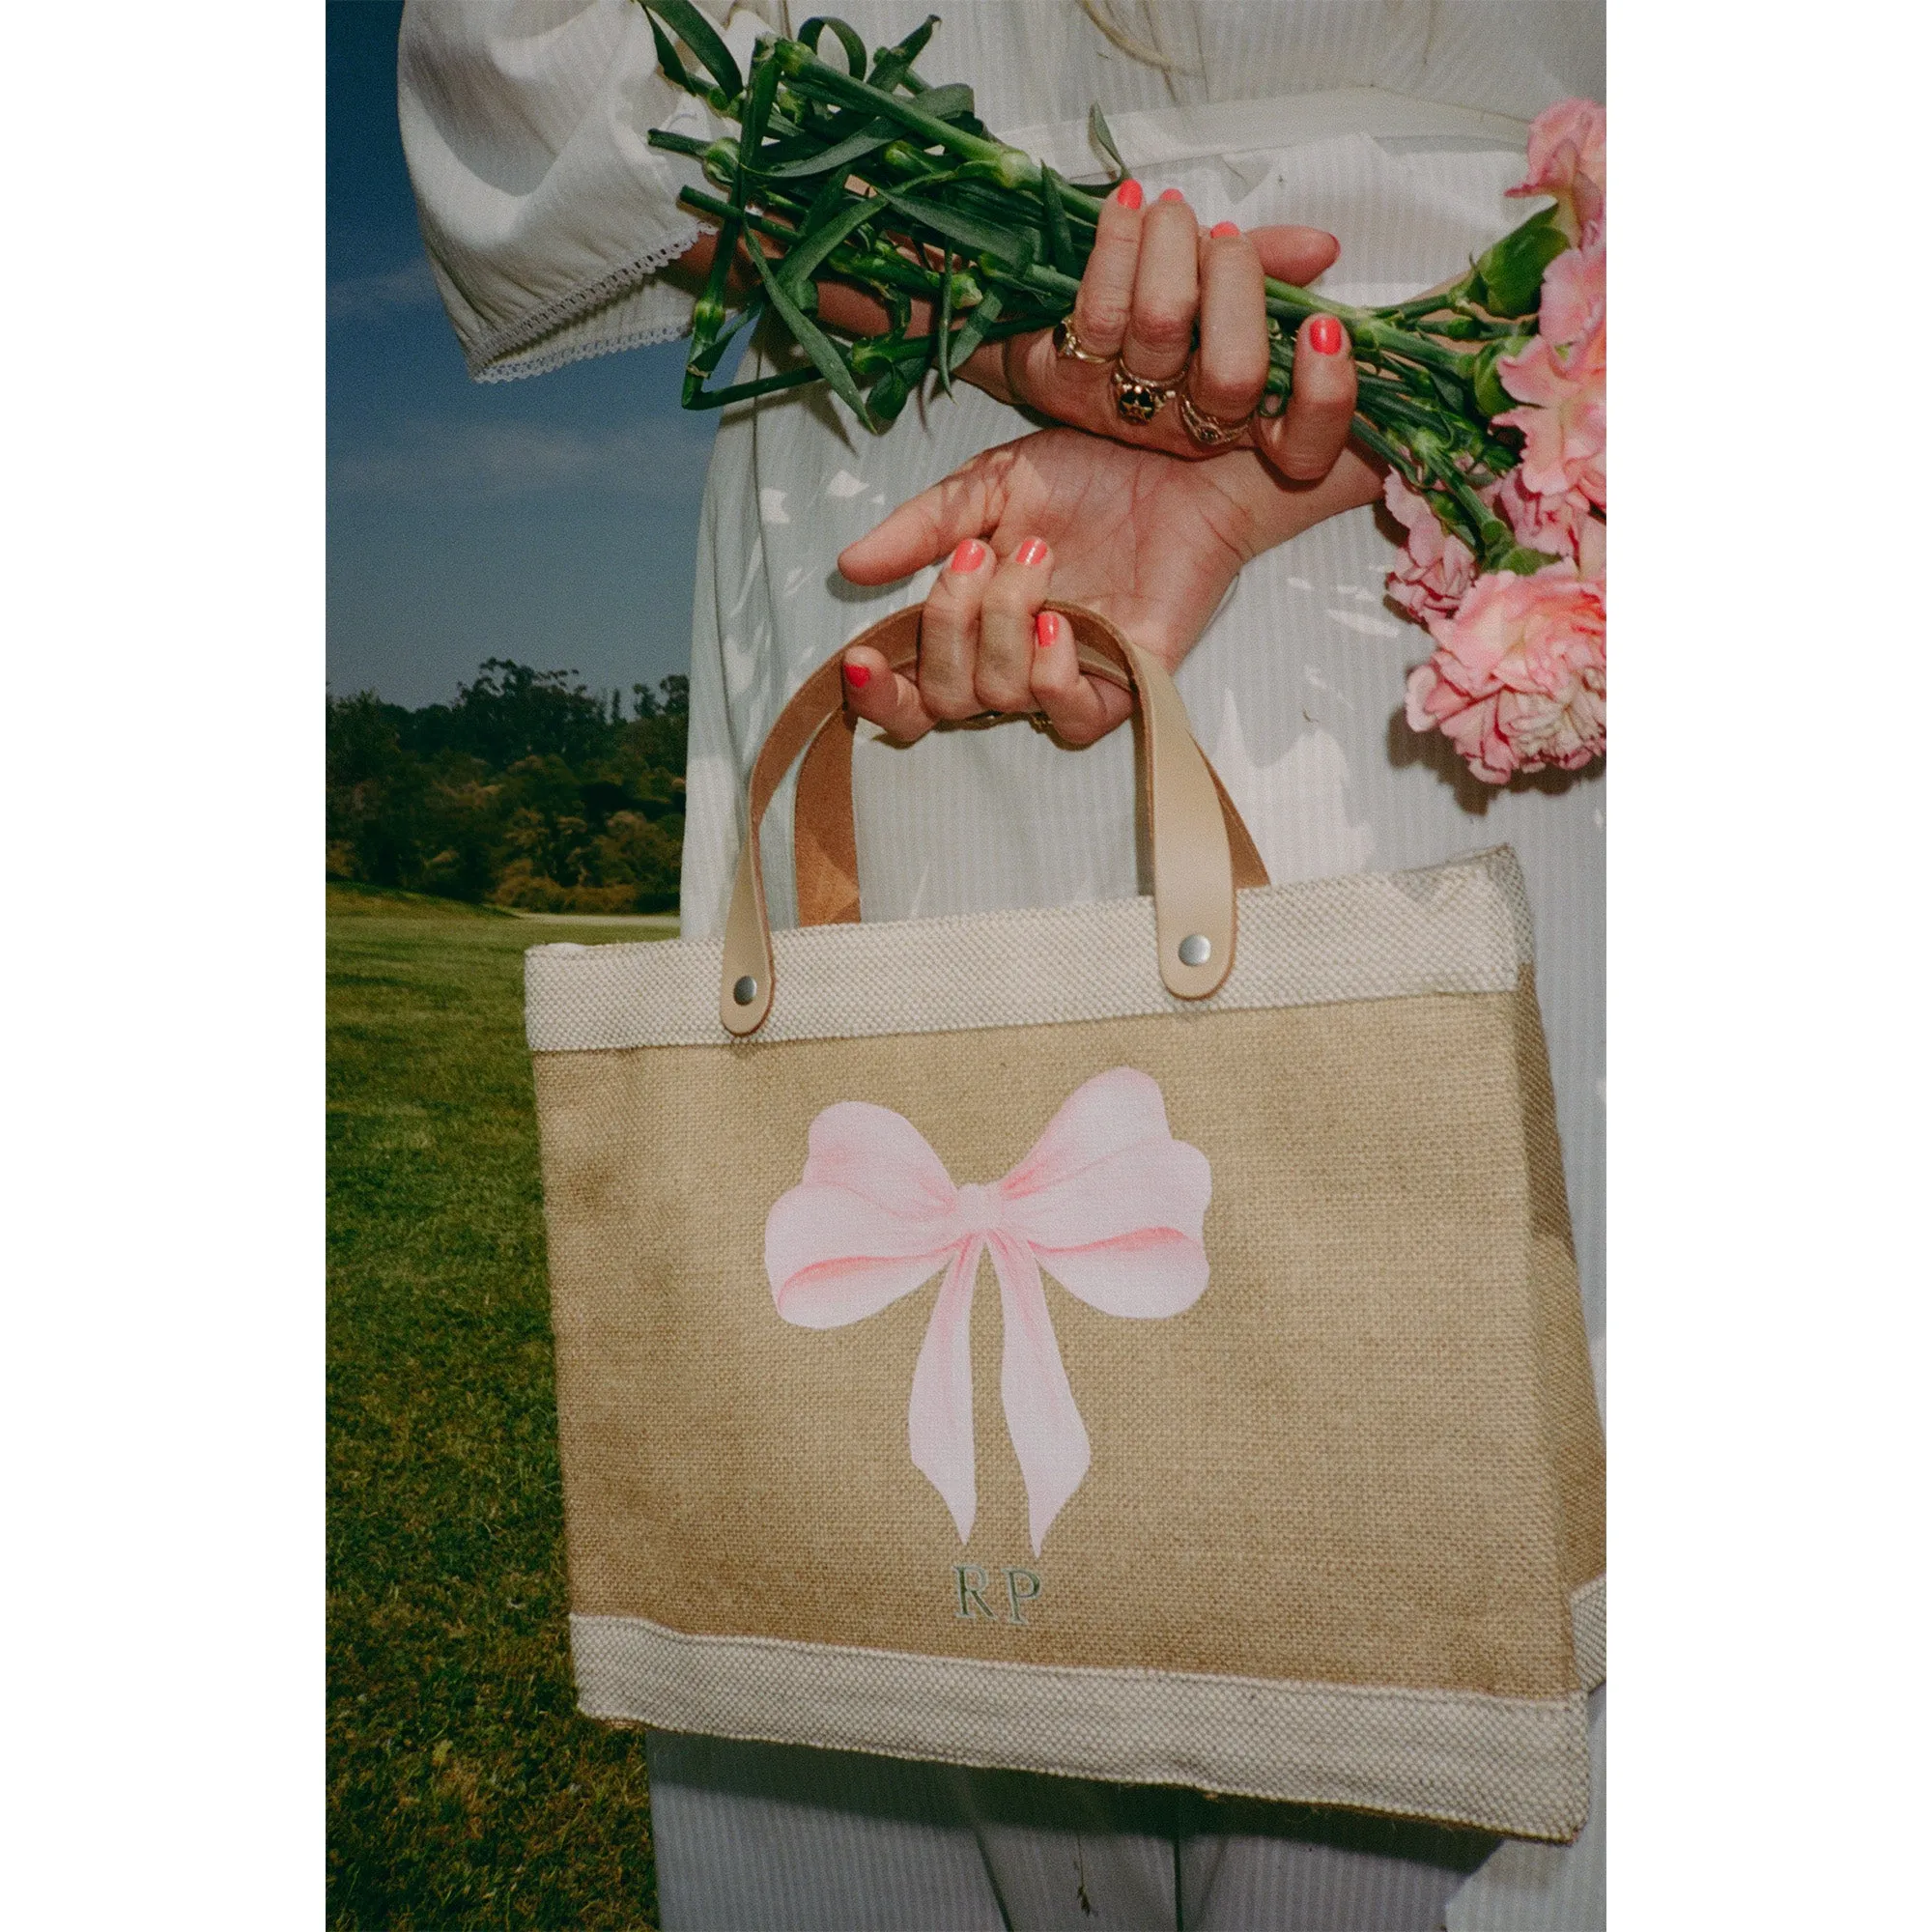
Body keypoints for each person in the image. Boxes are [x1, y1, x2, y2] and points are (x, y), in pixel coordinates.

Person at [399, 4, 1605, 1925]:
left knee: (1424, 1642)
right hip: (903, 486)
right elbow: (532, 68)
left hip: (1440, 514)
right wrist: (979, 301)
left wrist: (1331, 426)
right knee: (856, 1712)